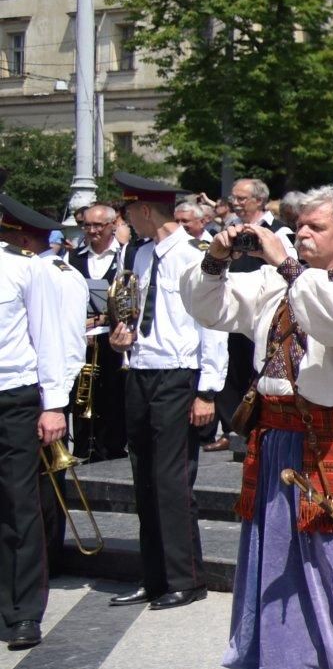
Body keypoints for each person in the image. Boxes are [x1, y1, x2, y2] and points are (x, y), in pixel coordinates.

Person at [183, 187, 333, 669]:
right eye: (299, 226)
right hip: (275, 434)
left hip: (328, 438)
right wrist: (216, 259)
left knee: (332, 557)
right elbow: (209, 308)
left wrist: (286, 260)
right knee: (270, 556)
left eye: (316, 228)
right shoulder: (276, 283)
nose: (302, 233)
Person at [106, 175, 227, 613]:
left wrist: (208, 391)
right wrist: (124, 340)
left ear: (144, 211)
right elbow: (136, 311)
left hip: (179, 376)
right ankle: (154, 575)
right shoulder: (137, 254)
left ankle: (185, 577)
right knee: (144, 478)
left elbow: (212, 325)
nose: (126, 221)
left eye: (128, 212)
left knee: (172, 481)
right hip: (141, 370)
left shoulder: (195, 256)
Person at [0, 198, 75, 651]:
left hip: (14, 394)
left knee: (18, 504)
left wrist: (54, 404)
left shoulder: (23, 269)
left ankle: (23, 611)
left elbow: (48, 336)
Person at [67, 201, 129, 463]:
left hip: (112, 336)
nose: (91, 230)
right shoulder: (73, 257)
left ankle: (111, 445)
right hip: (83, 336)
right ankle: (83, 444)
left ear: (112, 225)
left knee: (112, 392)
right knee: (81, 392)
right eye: (86, 225)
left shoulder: (124, 254)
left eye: (97, 225)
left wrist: (108, 316)